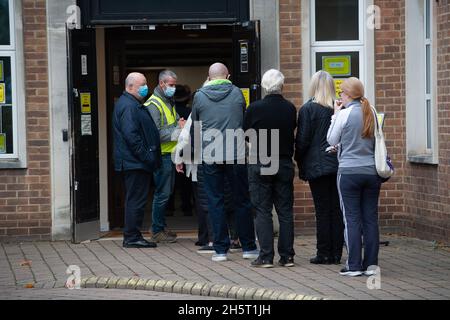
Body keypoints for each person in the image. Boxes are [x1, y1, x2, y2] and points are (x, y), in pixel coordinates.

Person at [190, 63, 259, 262]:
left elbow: (196, 125)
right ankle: (248, 247)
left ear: (209, 77)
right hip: (236, 154)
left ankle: (220, 250)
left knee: (215, 201)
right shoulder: (237, 93)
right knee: (242, 201)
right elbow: (243, 121)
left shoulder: (199, 96)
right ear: (227, 75)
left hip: (210, 155)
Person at [327, 77, 382, 277]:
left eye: (342, 92)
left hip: (349, 173)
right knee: (370, 219)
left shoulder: (345, 114)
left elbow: (331, 138)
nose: (340, 95)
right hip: (371, 172)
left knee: (351, 219)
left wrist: (335, 114)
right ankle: (371, 265)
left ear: (348, 94)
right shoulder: (371, 112)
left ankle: (354, 265)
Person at [244, 69, 297, 268]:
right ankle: (287, 256)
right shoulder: (290, 108)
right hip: (283, 162)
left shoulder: (255, 108)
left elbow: (246, 134)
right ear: (281, 85)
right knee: (285, 211)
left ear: (265, 86)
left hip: (261, 161)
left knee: (262, 210)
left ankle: (266, 256)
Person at [295, 71, 344, 265]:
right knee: (336, 210)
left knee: (322, 210)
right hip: (338, 164)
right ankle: (336, 253)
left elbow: (303, 140)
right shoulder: (339, 108)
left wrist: (299, 159)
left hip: (316, 165)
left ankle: (324, 253)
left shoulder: (308, 109)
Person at [113, 72, 162, 249]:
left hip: (135, 161)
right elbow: (131, 136)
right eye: (142, 84)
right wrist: (147, 156)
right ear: (130, 86)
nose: (145, 87)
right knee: (136, 200)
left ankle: (133, 235)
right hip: (135, 162)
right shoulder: (129, 106)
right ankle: (132, 237)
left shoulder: (131, 103)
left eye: (145, 84)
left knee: (136, 199)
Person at [144, 70, 186, 243]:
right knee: (162, 194)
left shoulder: (167, 101)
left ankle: (159, 226)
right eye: (171, 85)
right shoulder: (154, 104)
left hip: (170, 154)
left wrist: (179, 125)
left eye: (174, 85)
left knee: (166, 193)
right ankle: (156, 230)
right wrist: (179, 129)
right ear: (162, 84)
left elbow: (176, 121)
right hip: (162, 155)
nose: (173, 88)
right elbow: (156, 134)